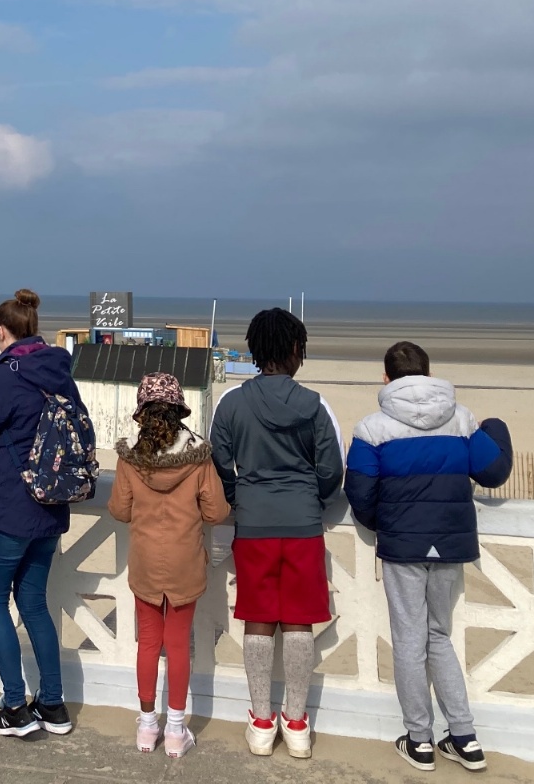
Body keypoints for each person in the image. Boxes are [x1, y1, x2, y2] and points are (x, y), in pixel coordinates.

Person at [344, 341, 513, 773]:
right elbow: (493, 471)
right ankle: (465, 738)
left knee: (408, 640)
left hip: (403, 546)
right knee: (438, 635)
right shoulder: (461, 419)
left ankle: (419, 740)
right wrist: (496, 427)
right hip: (450, 543)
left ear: (386, 378)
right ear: (429, 373)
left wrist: (383, 524)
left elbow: (359, 493)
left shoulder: (371, 428)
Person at [209, 308, 344, 759]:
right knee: (300, 619)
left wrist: (239, 497)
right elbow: (332, 469)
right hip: (303, 523)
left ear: (254, 350)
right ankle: (298, 723)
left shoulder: (230, 403)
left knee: (258, 617)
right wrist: (312, 499)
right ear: (295, 350)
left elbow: (218, 465)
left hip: (253, 524)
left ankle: (262, 722)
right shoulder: (316, 404)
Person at [0, 288, 80, 738]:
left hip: (9, 505)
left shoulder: (6, 374)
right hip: (51, 503)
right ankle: (53, 703)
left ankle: (14, 705)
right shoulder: (59, 370)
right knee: (33, 602)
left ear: (1, 331)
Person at [109, 373, 230, 757]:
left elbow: (119, 509)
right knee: (178, 644)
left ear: (142, 413)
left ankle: (147, 727)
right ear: (178, 411)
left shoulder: (130, 456)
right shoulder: (198, 456)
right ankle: (176, 730)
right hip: (184, 562)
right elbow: (216, 512)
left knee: (148, 642)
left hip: (145, 561)